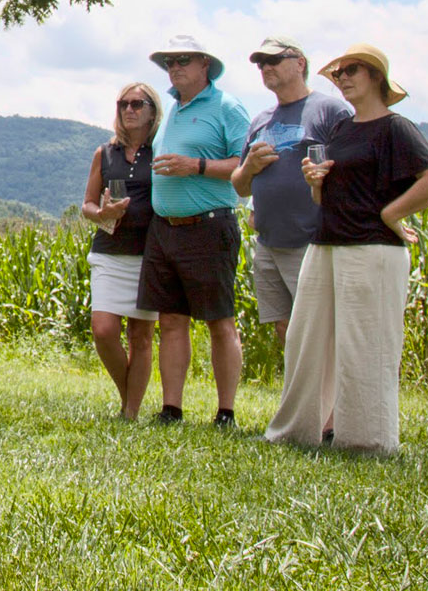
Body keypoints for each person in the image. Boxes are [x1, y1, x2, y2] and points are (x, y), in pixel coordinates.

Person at [266, 44, 428, 456]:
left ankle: (367, 442)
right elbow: (324, 199)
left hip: (372, 249)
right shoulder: (342, 130)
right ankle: (295, 432)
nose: (343, 77)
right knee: (304, 340)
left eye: (352, 70)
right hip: (326, 242)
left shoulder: (395, 128)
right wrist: (316, 182)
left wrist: (392, 213)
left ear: (376, 78)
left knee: (365, 346)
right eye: (339, 71)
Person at [139, 34, 250, 428]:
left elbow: (245, 164)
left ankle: (226, 412)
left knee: (219, 320)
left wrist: (196, 166)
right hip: (164, 228)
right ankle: (172, 409)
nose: (174, 67)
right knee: (170, 320)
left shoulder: (227, 106)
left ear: (206, 64)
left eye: (183, 60)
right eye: (168, 61)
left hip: (208, 226)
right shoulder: (174, 109)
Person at [231, 36, 352, 351]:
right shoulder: (260, 120)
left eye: (273, 60)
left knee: (318, 329)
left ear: (300, 63)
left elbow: (354, 170)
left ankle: (325, 399)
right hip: (269, 243)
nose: (265, 67)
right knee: (285, 328)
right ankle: (301, 396)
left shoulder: (330, 110)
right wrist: (249, 168)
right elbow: (240, 186)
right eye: (261, 63)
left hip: (312, 240)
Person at [80, 82, 162, 420]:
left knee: (141, 335)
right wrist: (102, 214)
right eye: (123, 104)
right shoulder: (105, 152)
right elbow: (86, 204)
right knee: (103, 330)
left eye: (137, 104)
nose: (129, 109)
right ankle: (126, 395)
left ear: (152, 111)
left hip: (149, 254)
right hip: (109, 251)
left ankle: (130, 412)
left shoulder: (161, 150)